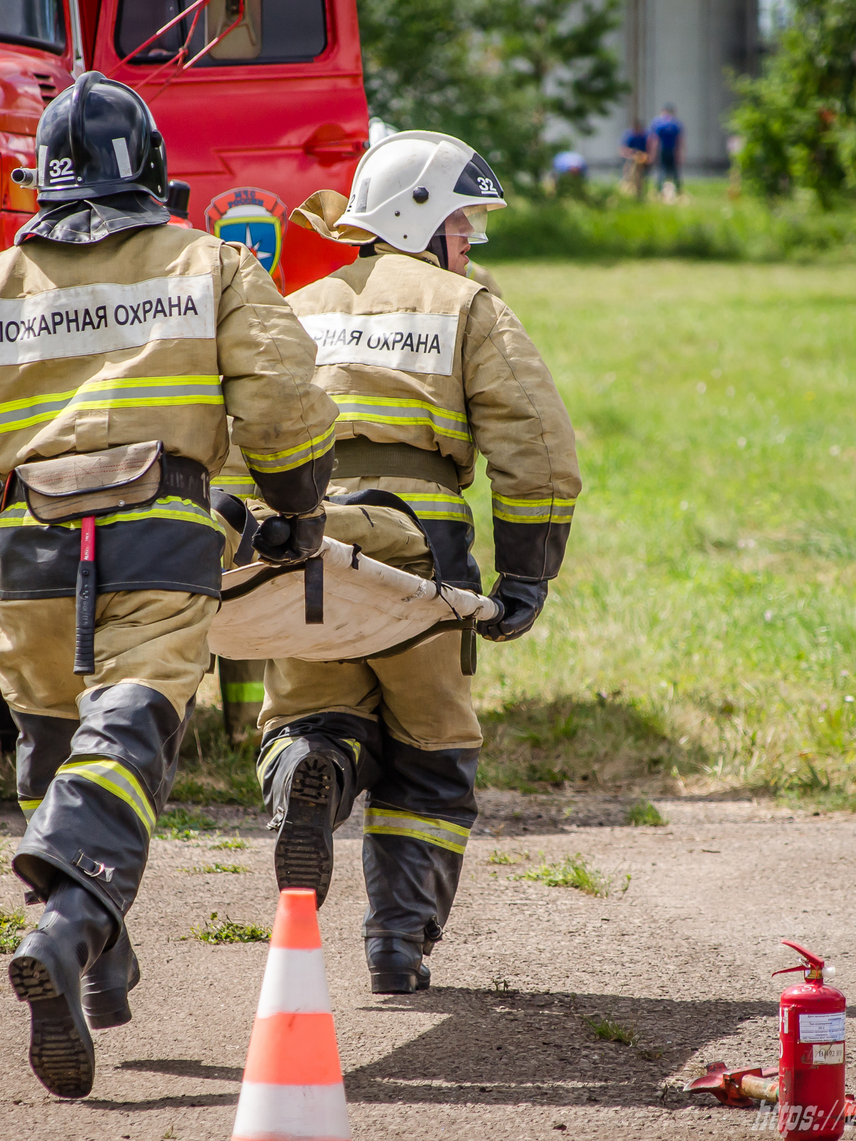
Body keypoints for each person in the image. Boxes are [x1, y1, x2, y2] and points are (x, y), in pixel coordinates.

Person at [0, 72, 337, 1099]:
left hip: (31, 555)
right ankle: (69, 926)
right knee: (128, 740)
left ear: (42, 179)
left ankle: (98, 975)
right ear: (154, 171)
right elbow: (286, 404)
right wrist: (300, 511)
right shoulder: (207, 263)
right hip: (161, 543)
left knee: (56, 754)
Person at [265, 132, 581, 994]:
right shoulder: (466, 306)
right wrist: (526, 573)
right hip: (421, 559)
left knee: (312, 715)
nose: (471, 242)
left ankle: (312, 774)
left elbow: (248, 429)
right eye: (465, 223)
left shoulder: (298, 305)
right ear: (419, 219)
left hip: (307, 552)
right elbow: (538, 446)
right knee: (432, 751)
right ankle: (397, 947)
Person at [649, 103, 685, 193]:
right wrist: (680, 154)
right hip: (672, 150)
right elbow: (679, 141)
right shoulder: (676, 123)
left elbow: (655, 141)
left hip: (662, 150)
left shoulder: (657, 123)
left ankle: (659, 191)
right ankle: (678, 190)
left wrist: (652, 155)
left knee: (661, 170)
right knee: (675, 171)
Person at [619, 117, 652, 200]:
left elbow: (649, 147)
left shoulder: (645, 135)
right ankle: (629, 194)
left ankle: (640, 194)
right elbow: (623, 149)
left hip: (642, 160)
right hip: (631, 159)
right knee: (629, 177)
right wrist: (633, 153)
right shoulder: (629, 135)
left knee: (642, 178)